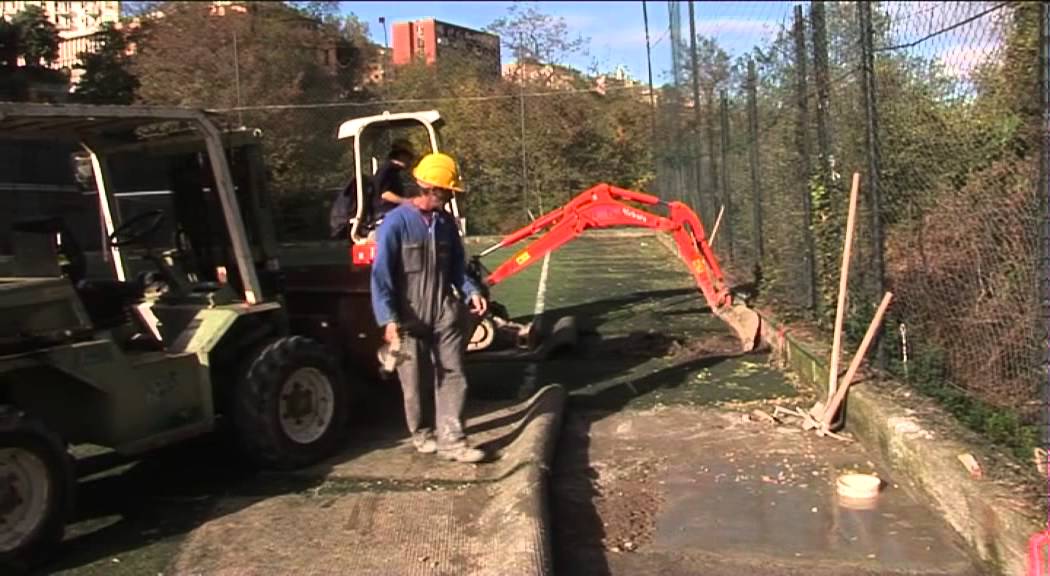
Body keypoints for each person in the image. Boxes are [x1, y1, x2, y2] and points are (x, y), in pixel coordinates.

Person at [370, 152, 489, 464]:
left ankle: (453, 441)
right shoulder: (395, 224)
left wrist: (470, 291)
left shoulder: (446, 224)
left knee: (454, 373)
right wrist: (388, 319)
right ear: (431, 189)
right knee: (414, 382)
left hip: (443, 312)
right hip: (409, 317)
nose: (450, 198)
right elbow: (380, 275)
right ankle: (422, 433)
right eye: (447, 192)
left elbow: (456, 270)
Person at [371, 138, 418, 222]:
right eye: (409, 157)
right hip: (385, 213)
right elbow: (385, 194)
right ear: (401, 155)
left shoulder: (394, 172)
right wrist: (406, 201)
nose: (410, 161)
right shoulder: (387, 170)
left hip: (392, 212)